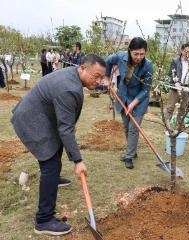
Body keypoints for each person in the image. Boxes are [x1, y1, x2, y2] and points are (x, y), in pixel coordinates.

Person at [11, 54, 106, 236]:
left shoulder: (73, 75)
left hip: (41, 115)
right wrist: (78, 161)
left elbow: (65, 125)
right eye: (96, 76)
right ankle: (43, 220)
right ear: (83, 68)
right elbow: (65, 130)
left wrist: (68, 127)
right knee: (50, 163)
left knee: (55, 152)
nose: (99, 80)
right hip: (32, 120)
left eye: (102, 76)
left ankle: (53, 179)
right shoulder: (69, 88)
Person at [105, 37, 153, 169]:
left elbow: (146, 89)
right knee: (126, 126)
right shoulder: (121, 56)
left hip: (139, 99)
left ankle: (129, 156)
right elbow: (107, 61)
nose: (139, 57)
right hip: (123, 97)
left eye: (142, 54)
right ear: (129, 51)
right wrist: (107, 78)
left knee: (133, 129)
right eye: (136, 53)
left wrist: (133, 104)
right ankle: (132, 150)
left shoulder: (148, 65)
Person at [165, 43, 189, 128]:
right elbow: (172, 73)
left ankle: (180, 125)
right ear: (182, 51)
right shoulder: (176, 61)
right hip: (176, 87)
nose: (187, 54)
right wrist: (176, 82)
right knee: (170, 107)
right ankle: (167, 125)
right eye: (186, 52)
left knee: (183, 108)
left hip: (187, 88)